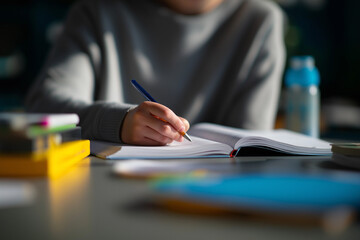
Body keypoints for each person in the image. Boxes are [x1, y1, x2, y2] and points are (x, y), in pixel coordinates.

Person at [25, 0, 285, 146]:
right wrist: (119, 123)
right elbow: (44, 108)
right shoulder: (97, 12)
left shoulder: (260, 21)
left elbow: (250, 146)